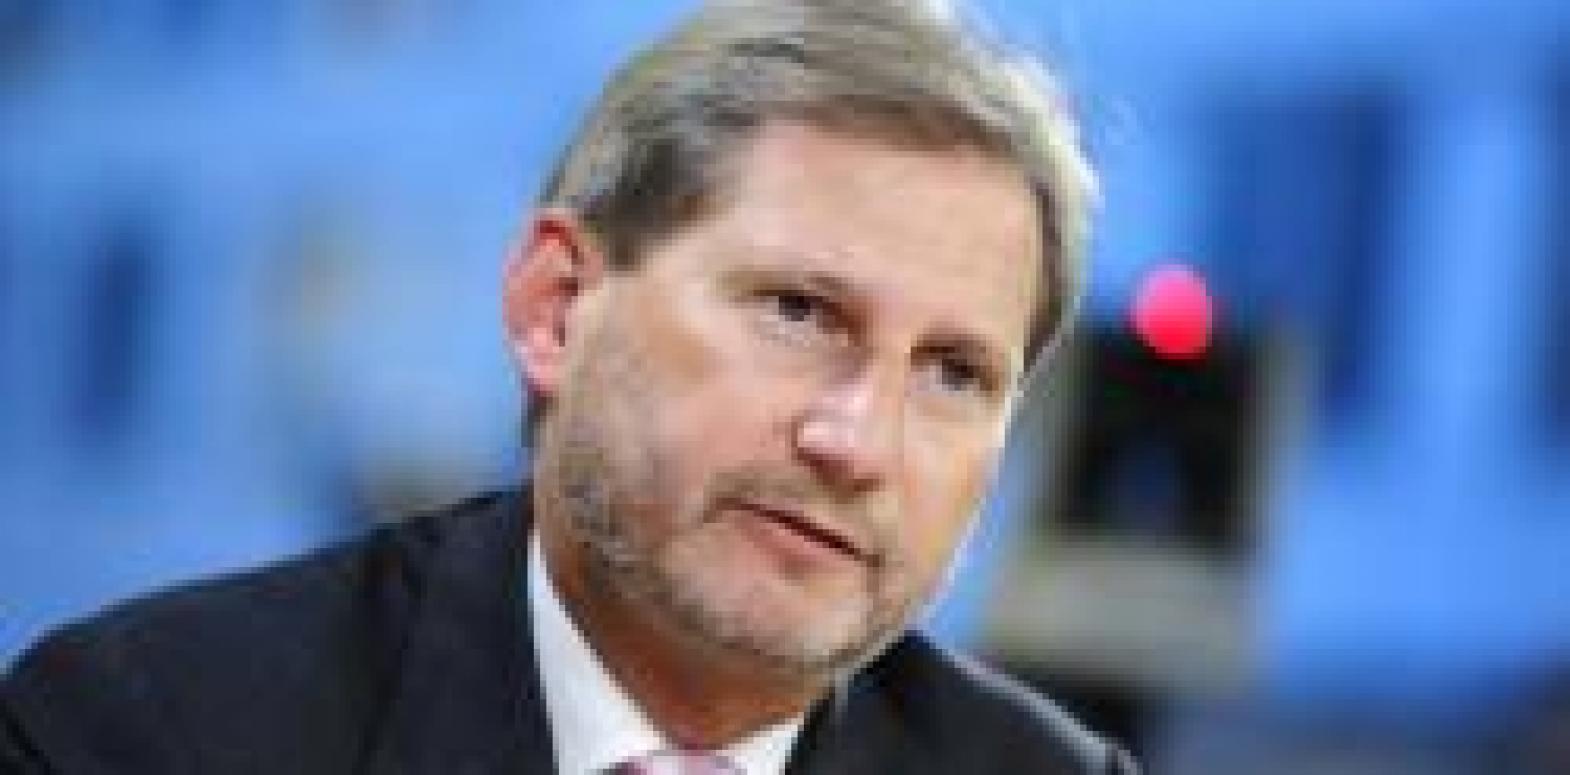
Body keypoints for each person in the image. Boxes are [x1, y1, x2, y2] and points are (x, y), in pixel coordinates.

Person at [1, 0, 1137, 772]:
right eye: (798, 312)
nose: (859, 441)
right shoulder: (143, 729)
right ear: (555, 308)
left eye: (953, 372)